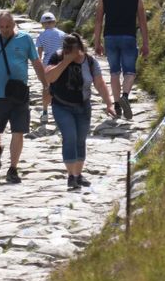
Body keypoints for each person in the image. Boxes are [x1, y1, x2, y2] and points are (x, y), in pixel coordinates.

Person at [0, 11, 47, 184]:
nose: (5, 30)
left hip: (19, 94)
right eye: (1, 27)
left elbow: (36, 63)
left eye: (8, 26)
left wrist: (45, 85)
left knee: (18, 131)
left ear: (14, 25)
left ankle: (13, 168)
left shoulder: (25, 39)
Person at [44, 34, 117, 190]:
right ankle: (71, 176)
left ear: (80, 48)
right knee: (69, 136)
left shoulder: (90, 62)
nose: (68, 51)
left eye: (71, 48)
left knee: (80, 139)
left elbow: (99, 83)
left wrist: (109, 103)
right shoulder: (57, 57)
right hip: (61, 105)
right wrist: (65, 62)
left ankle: (78, 174)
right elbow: (49, 77)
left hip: (83, 106)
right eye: (65, 48)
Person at [93, 0, 149, 119]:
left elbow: (98, 19)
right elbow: (142, 19)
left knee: (114, 72)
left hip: (110, 37)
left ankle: (117, 105)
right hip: (129, 36)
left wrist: (97, 42)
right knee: (130, 71)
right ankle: (125, 95)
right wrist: (145, 43)